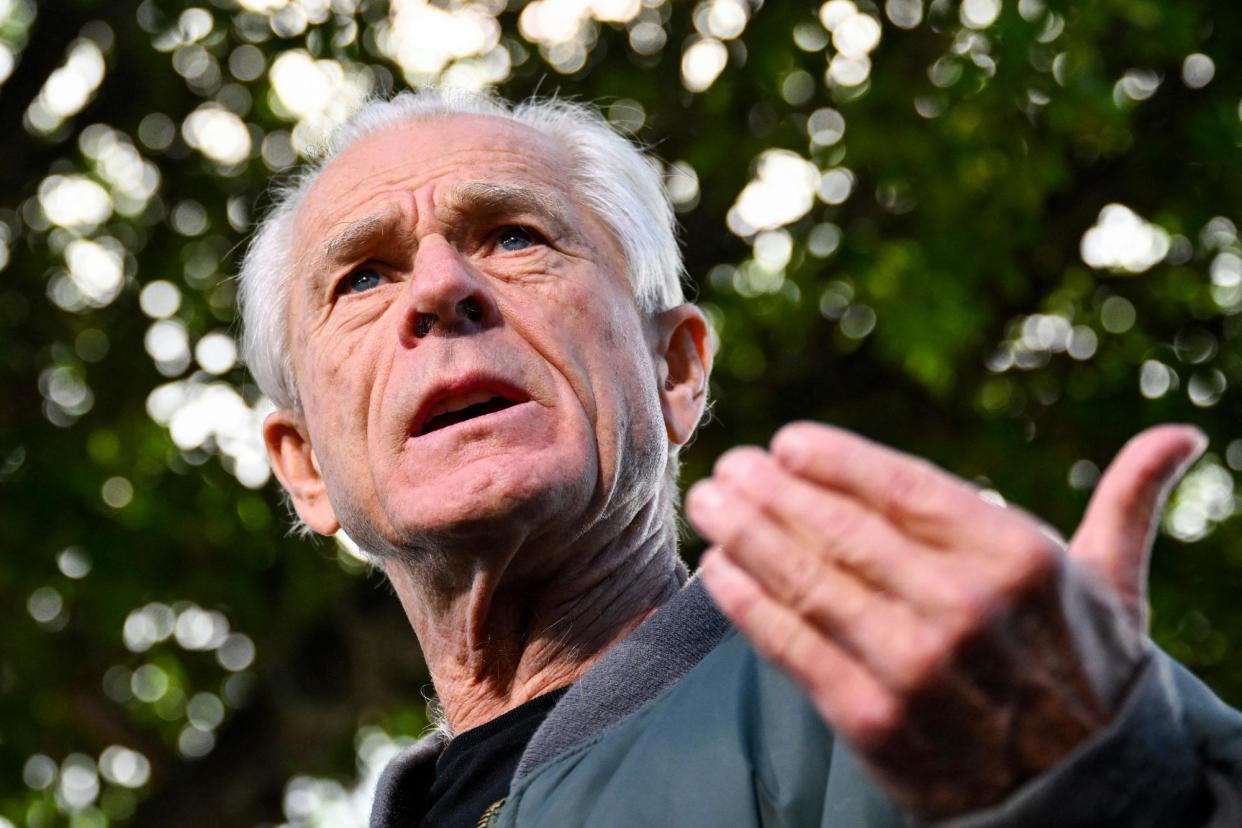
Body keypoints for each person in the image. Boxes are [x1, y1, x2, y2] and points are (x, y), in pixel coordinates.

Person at [237, 88, 1242, 827]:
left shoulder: (940, 674)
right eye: (363, 275)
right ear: (305, 468)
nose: (442, 289)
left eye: (513, 236)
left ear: (677, 371)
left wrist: (1106, 793)